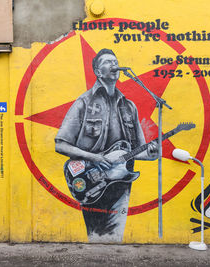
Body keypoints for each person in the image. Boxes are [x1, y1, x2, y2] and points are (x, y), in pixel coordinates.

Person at [55, 48, 158, 242]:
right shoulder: (83, 103)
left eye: (115, 61)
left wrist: (152, 154)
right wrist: (94, 157)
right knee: (95, 235)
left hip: (122, 182)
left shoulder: (129, 107)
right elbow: (61, 145)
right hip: (90, 179)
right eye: (108, 62)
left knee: (114, 237)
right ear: (97, 71)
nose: (114, 65)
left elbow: (140, 150)